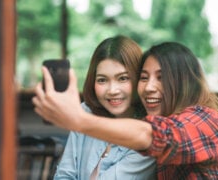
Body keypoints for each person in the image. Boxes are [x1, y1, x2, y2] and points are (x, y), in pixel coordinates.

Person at [33, 42, 218, 179]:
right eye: (144, 77)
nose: (149, 87)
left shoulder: (205, 120)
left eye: (161, 78)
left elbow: (152, 135)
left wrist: (78, 121)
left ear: (184, 82)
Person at [52, 35, 156, 179]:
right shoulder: (85, 112)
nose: (112, 90)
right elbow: (63, 175)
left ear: (139, 78)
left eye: (123, 78)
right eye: (102, 80)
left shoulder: (150, 132)